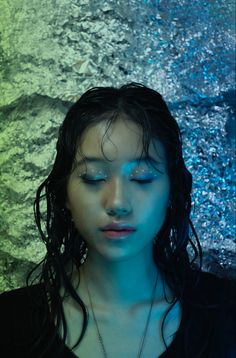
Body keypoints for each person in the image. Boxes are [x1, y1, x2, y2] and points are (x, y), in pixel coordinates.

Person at [0, 82, 235, 358]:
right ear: (63, 193)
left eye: (142, 178)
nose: (117, 203)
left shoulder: (226, 314)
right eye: (94, 178)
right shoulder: (9, 323)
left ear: (172, 191)